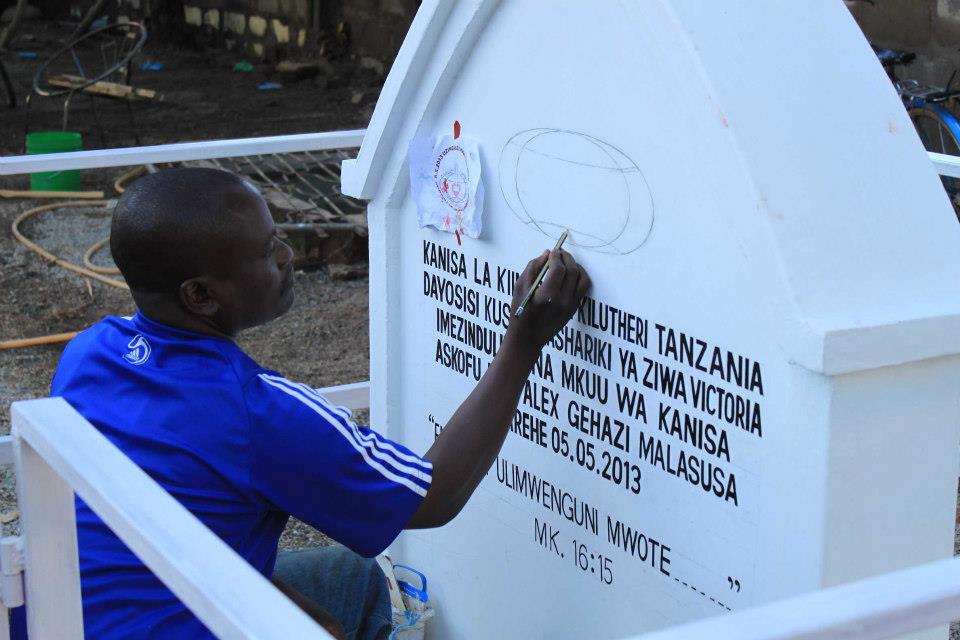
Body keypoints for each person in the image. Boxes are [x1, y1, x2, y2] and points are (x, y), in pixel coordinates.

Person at [42, 167, 590, 639]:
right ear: (200, 296)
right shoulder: (258, 411)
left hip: (71, 617)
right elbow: (433, 496)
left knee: (336, 588)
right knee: (366, 583)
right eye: (266, 251)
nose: (286, 257)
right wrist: (524, 338)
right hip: (184, 619)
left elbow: (183, 517)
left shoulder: (89, 353)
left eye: (278, 236)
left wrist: (305, 616)